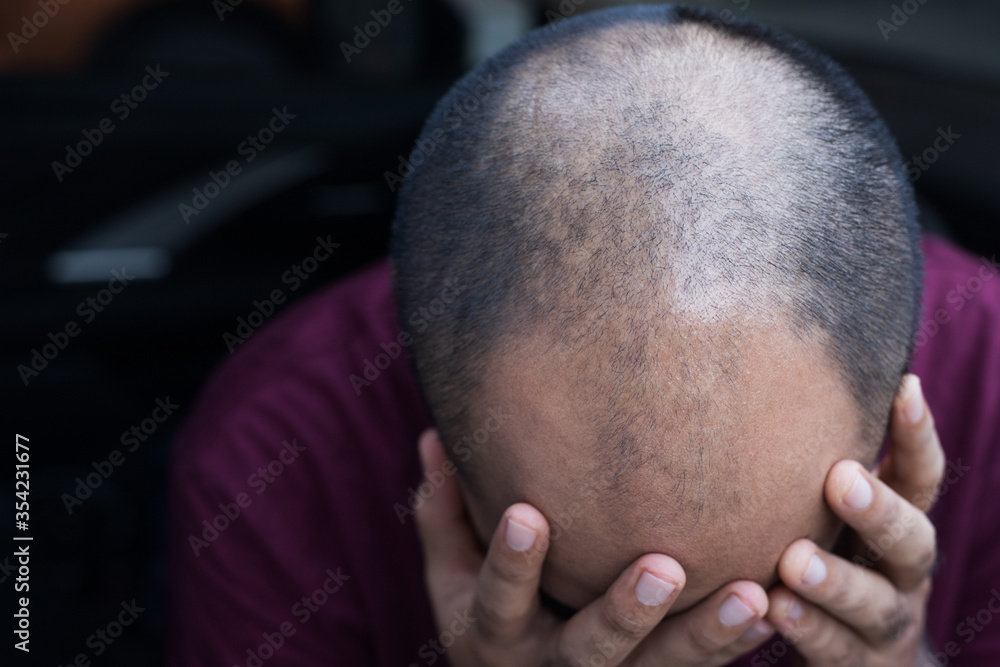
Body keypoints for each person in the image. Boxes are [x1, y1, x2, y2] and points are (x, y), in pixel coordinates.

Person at [167, 5, 1000, 666]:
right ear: (444, 464)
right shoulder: (276, 455)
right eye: (578, 607)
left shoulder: (991, 376)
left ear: (895, 425)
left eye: (780, 598)